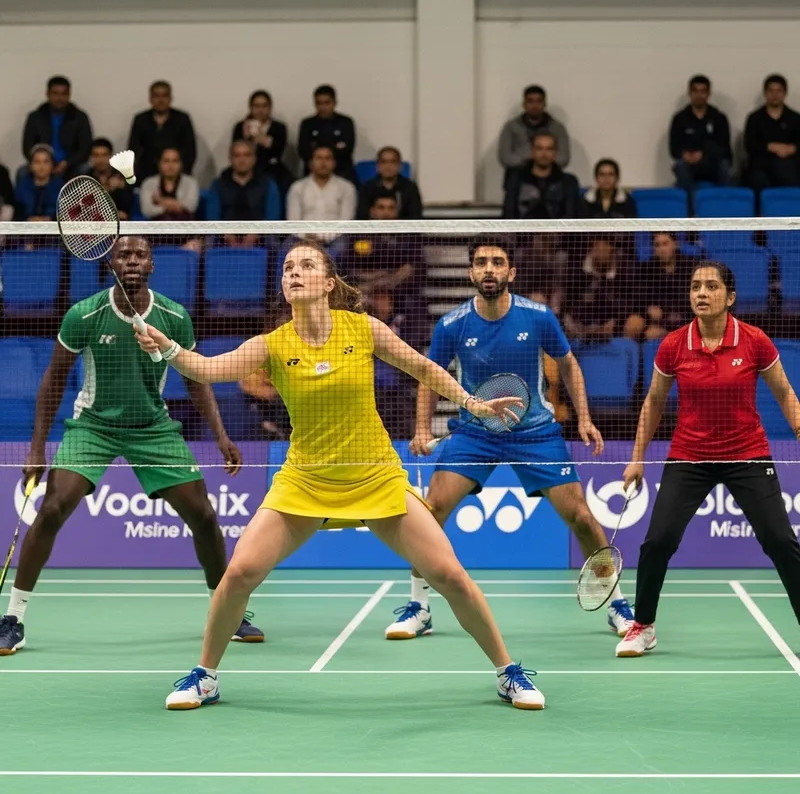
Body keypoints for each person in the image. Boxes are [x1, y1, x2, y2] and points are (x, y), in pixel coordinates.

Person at [134, 240, 546, 711]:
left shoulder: (363, 329)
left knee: (450, 575)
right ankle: (206, 676)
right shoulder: (272, 345)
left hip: (375, 476)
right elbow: (207, 369)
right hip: (306, 480)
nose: (294, 272)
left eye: (306, 265)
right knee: (239, 573)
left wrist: (472, 403)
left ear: (328, 283)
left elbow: (421, 366)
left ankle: (507, 671)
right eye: (288, 267)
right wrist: (168, 348)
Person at [0, 237, 264, 657]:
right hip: (93, 426)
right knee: (52, 508)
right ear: (111, 263)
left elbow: (196, 379)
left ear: (152, 265)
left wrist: (221, 434)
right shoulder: (85, 314)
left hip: (152, 428)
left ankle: (228, 611)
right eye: (124, 255)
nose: (133, 261)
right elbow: (53, 380)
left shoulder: (173, 316)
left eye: (141, 255)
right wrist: (36, 449)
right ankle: (13, 618)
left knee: (203, 514)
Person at [385, 237, 635, 641]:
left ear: (511, 272)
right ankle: (419, 606)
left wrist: (584, 418)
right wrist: (422, 428)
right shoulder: (452, 324)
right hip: (475, 432)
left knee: (581, 517)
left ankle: (617, 602)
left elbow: (569, 365)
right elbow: (430, 376)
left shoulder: (537, 317)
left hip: (534, 432)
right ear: (470, 272)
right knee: (432, 511)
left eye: (497, 262)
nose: (489, 268)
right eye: (481, 262)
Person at [616, 262, 800, 658]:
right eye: (696, 286)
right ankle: (643, 626)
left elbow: (785, 392)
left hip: (747, 454)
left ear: (730, 297)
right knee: (658, 541)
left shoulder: (754, 341)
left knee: (781, 541)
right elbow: (654, 402)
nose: (701, 293)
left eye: (711, 286)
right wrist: (637, 458)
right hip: (690, 456)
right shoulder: (674, 345)